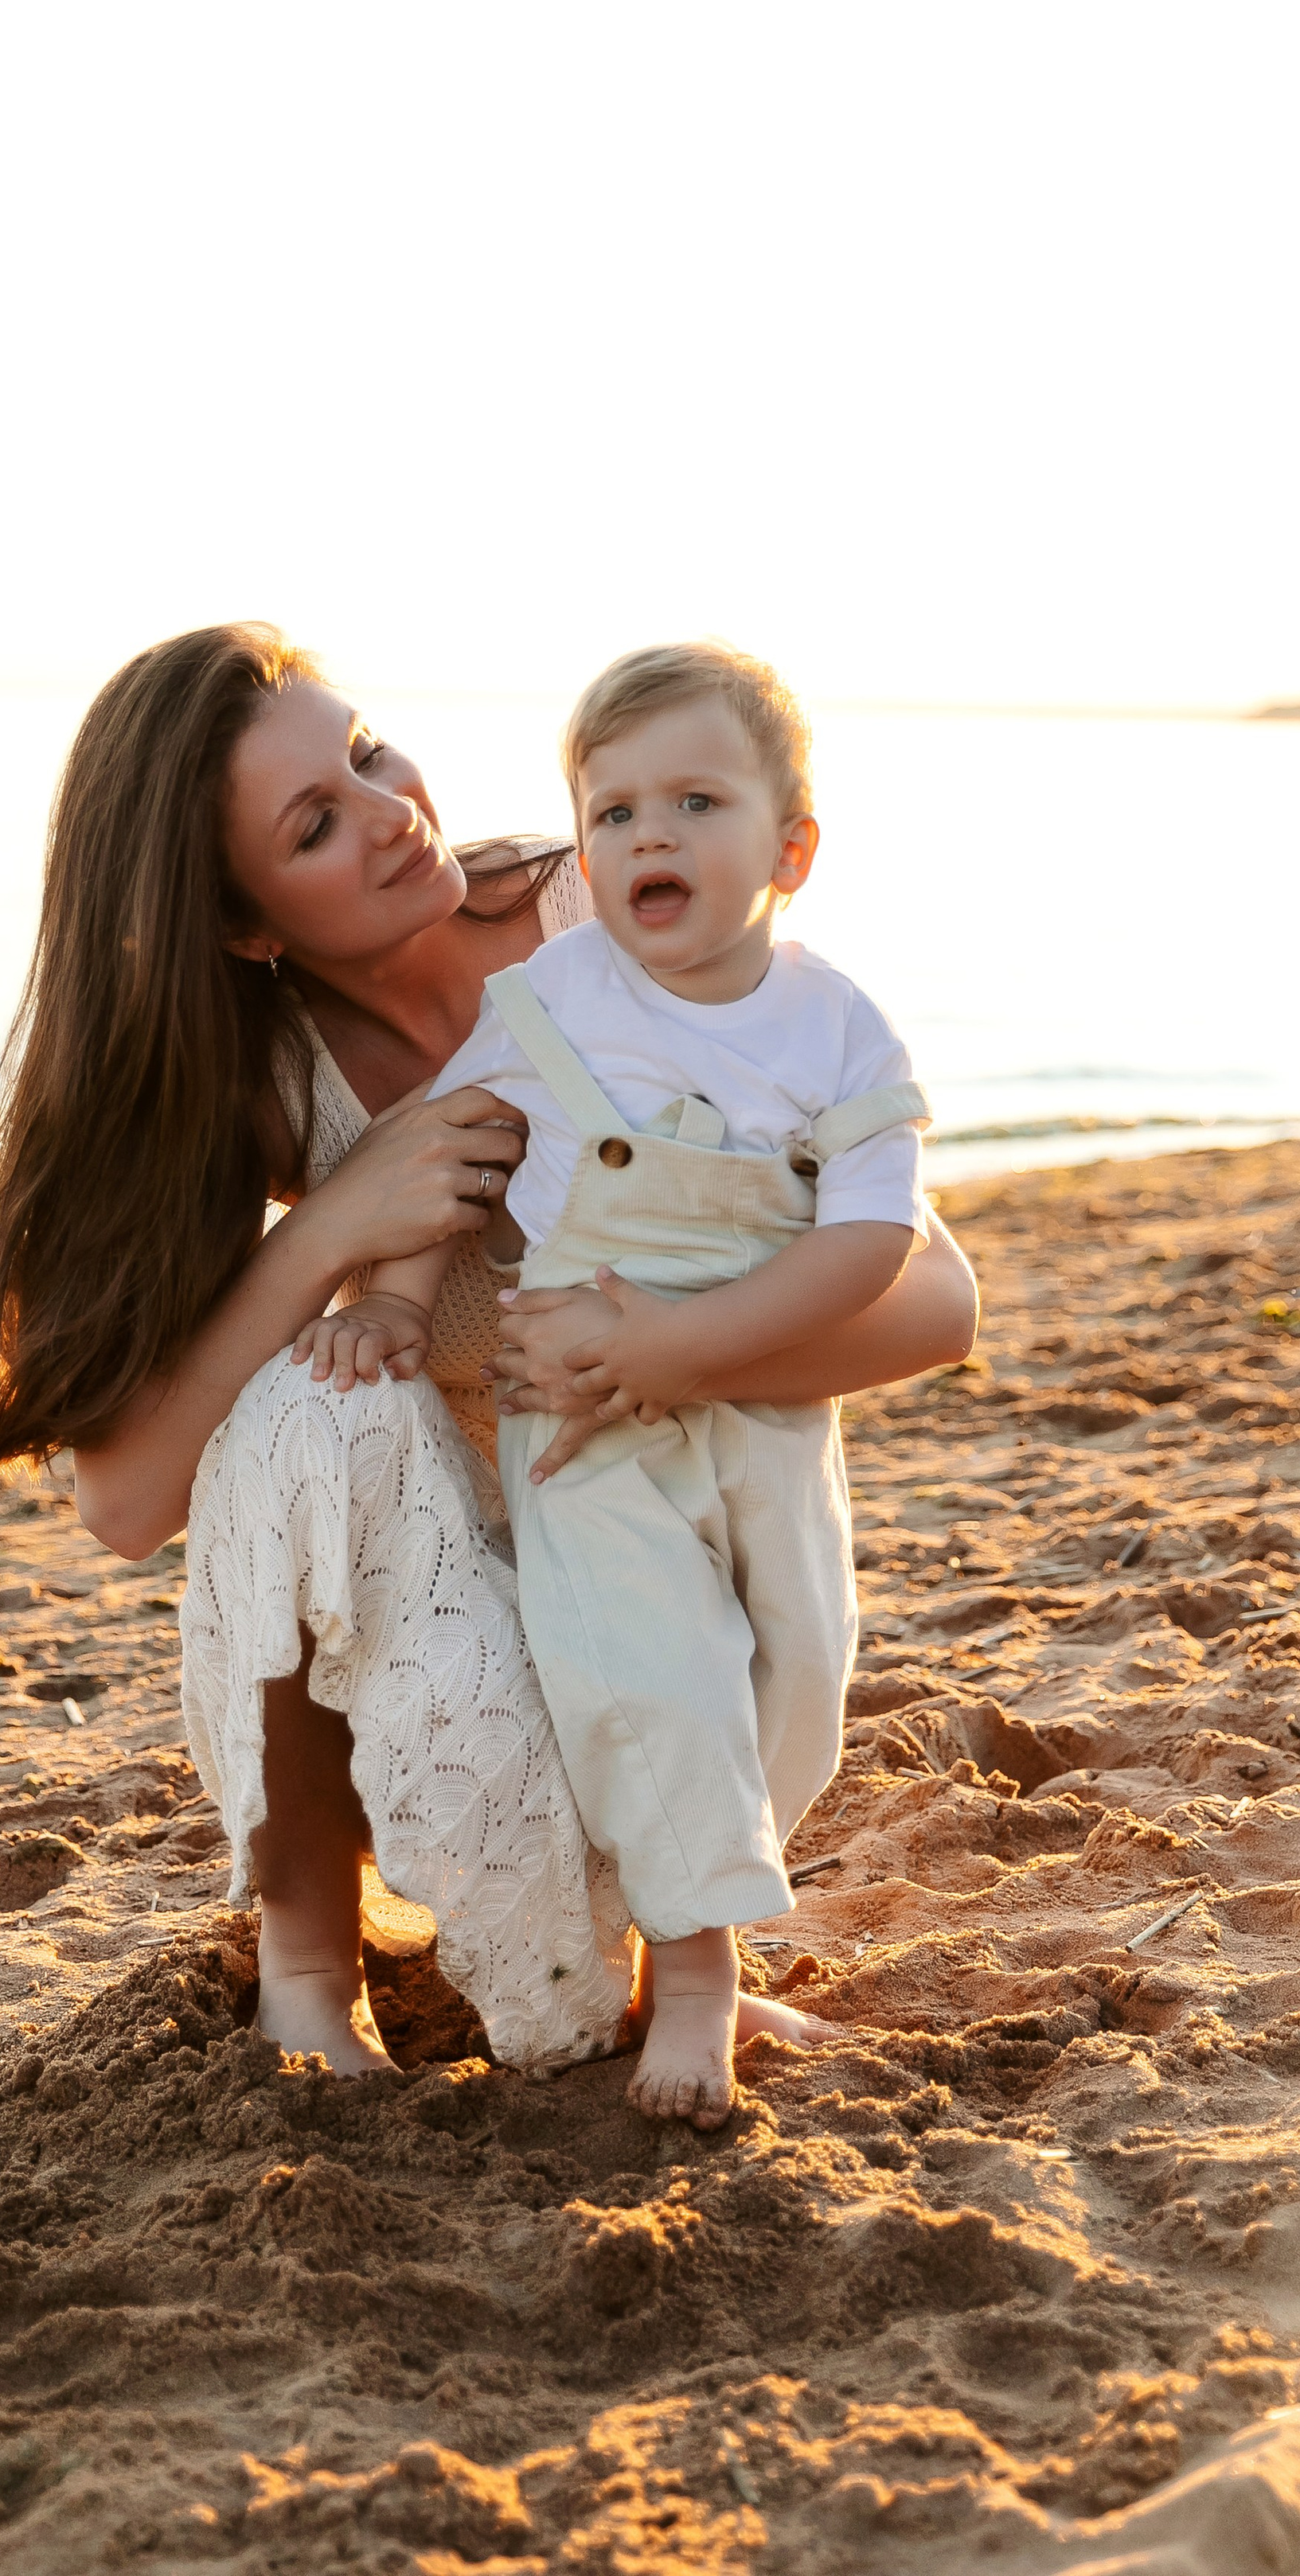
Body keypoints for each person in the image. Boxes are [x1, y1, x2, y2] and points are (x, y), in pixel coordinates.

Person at [0, 623, 980, 2087]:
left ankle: (684, 1945)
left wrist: (662, 1359)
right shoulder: (259, 1067)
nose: (390, 813)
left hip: (662, 1492)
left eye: (367, 752)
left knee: (672, 1650)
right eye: (317, 824)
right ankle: (311, 1970)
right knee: (311, 1410)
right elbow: (125, 1504)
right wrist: (329, 1232)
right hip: (452, 1566)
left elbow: (940, 1305)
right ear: (244, 926)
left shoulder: (615, 916)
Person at [291, 644, 923, 2125]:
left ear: (791, 847)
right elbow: (457, 1148)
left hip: (760, 1399)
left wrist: (688, 1350)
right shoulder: (557, 989)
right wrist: (386, 1304)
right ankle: (693, 1977)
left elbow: (880, 1242)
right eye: (615, 810)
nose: (650, 835)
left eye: (695, 801)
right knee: (655, 1675)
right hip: (583, 1427)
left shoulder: (838, 1029)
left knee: (799, 1672)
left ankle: (696, 1915)